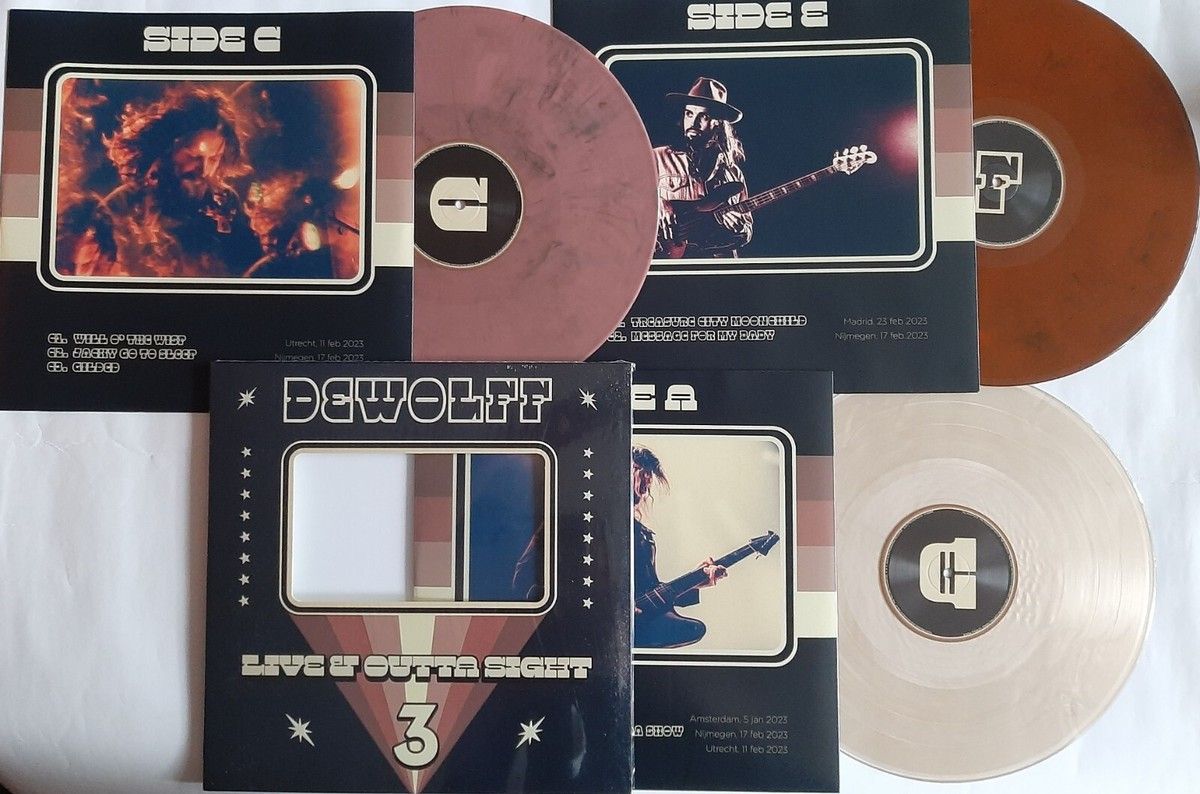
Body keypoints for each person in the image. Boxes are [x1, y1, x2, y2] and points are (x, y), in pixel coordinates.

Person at [58, 85, 264, 277]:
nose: (203, 169)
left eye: (213, 158)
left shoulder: (226, 203)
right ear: (168, 147)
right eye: (194, 156)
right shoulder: (119, 208)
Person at [632, 445, 726, 648]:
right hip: (600, 628)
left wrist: (697, 580)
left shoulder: (642, 534)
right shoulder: (598, 523)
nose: (647, 480)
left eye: (649, 475)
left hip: (634, 633)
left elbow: (649, 591)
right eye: (641, 471)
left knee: (695, 629)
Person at [653, 77, 753, 258]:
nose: (693, 123)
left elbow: (747, 230)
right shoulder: (657, 158)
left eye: (703, 116)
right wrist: (661, 206)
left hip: (717, 266)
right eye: (689, 114)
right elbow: (624, 201)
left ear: (718, 123)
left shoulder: (733, 173)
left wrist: (740, 227)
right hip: (672, 261)